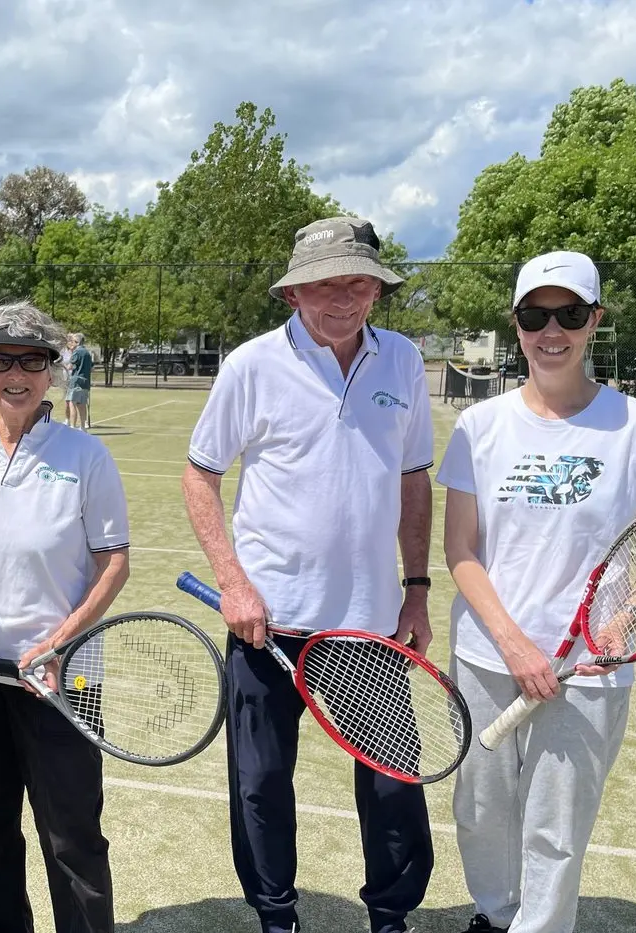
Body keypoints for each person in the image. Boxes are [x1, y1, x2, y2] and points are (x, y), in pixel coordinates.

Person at [182, 216, 435, 933]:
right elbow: (200, 477)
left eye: (358, 281)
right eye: (325, 283)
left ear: (377, 291)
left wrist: (416, 589)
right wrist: (234, 582)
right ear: (295, 293)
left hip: (371, 621)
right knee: (260, 785)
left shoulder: (403, 361)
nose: (343, 296)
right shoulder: (251, 365)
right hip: (268, 625)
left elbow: (414, 477)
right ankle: (276, 915)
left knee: (392, 784)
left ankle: (391, 915)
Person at [438, 251, 636, 933]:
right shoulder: (479, 427)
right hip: (490, 659)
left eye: (570, 314)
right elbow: (460, 549)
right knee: (481, 813)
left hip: (588, 673)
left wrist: (627, 617)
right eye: (535, 314)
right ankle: (496, 915)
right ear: (516, 324)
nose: (552, 330)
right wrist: (516, 644)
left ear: (594, 320)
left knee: (555, 828)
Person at [0, 301, 131, 933]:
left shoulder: (87, 457)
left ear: (52, 370)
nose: (16, 374)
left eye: (32, 360)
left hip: (62, 682)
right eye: (1, 359)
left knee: (73, 835)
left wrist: (62, 643)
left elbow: (112, 562)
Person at [67, 333, 94, 431]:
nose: (71, 343)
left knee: (72, 403)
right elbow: (92, 368)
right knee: (82, 404)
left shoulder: (77, 352)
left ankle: (73, 427)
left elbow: (70, 366)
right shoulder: (87, 352)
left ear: (77, 342)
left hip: (76, 380)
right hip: (85, 382)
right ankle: (83, 426)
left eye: (73, 341)